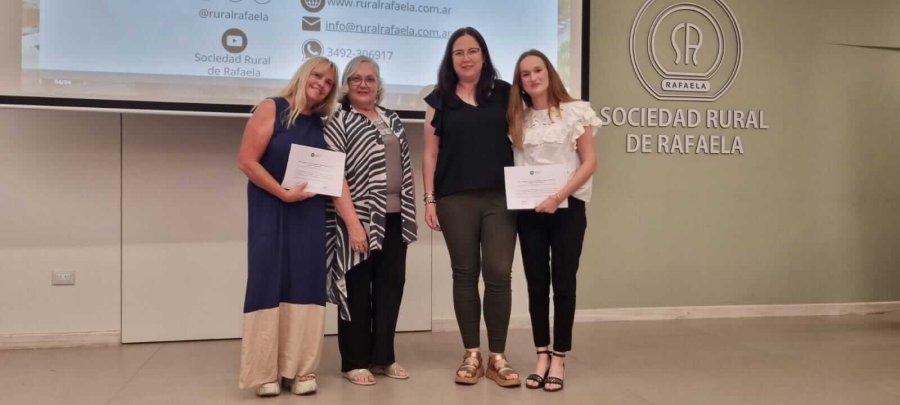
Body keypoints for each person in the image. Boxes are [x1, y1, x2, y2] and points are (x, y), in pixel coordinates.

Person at [423, 27, 520, 387]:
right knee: (464, 274)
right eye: (459, 52)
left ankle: (497, 357)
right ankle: (471, 355)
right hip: (454, 198)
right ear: (451, 59)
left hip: (501, 197)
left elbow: (526, 138)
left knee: (499, 273)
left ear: (484, 55)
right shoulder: (439, 100)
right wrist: (430, 199)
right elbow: (430, 154)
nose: (466, 58)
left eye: (473, 51)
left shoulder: (506, 94)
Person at [236, 56, 339, 397]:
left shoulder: (324, 124)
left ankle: (301, 369)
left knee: (306, 281)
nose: (321, 84)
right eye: (318, 75)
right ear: (304, 73)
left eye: (328, 82)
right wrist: (282, 192)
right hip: (271, 207)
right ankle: (265, 371)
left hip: (309, 213)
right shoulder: (271, 107)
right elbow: (247, 161)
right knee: (268, 278)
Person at [507, 49, 599, 393]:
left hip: (567, 210)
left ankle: (559, 356)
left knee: (563, 284)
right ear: (521, 82)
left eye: (537, 70)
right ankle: (541, 354)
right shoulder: (518, 118)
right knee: (535, 285)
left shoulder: (576, 111)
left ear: (549, 72)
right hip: (529, 213)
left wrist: (557, 197)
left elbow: (589, 163)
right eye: (525, 74)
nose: (532, 77)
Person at [324, 56, 418, 386]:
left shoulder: (391, 118)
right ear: (346, 86)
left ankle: (384, 357)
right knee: (357, 290)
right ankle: (354, 361)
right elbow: (335, 176)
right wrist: (352, 224)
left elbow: (404, 169)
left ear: (379, 86)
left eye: (370, 79)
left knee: (391, 288)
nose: (364, 84)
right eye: (356, 79)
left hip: (396, 217)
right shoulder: (339, 119)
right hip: (358, 219)